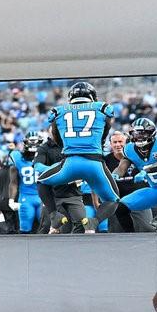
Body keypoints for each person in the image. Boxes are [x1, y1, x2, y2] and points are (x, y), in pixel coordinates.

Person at [33, 83, 123, 216]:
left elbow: (55, 134)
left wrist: (64, 147)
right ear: (92, 96)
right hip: (94, 163)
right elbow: (106, 127)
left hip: (70, 163)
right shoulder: (102, 108)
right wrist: (100, 142)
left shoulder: (59, 111)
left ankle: (54, 216)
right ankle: (94, 223)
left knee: (42, 181)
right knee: (113, 199)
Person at [98, 114, 157, 229]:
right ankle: (130, 233)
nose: (138, 137)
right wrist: (114, 175)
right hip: (155, 190)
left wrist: (146, 170)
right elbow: (121, 167)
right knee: (120, 207)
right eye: (135, 134)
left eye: (142, 133)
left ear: (151, 133)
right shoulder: (129, 149)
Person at [11, 141, 45, 233]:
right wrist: (11, 200)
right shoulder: (18, 159)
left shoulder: (45, 157)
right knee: (25, 229)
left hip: (42, 197)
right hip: (26, 197)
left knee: (45, 227)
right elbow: (13, 182)